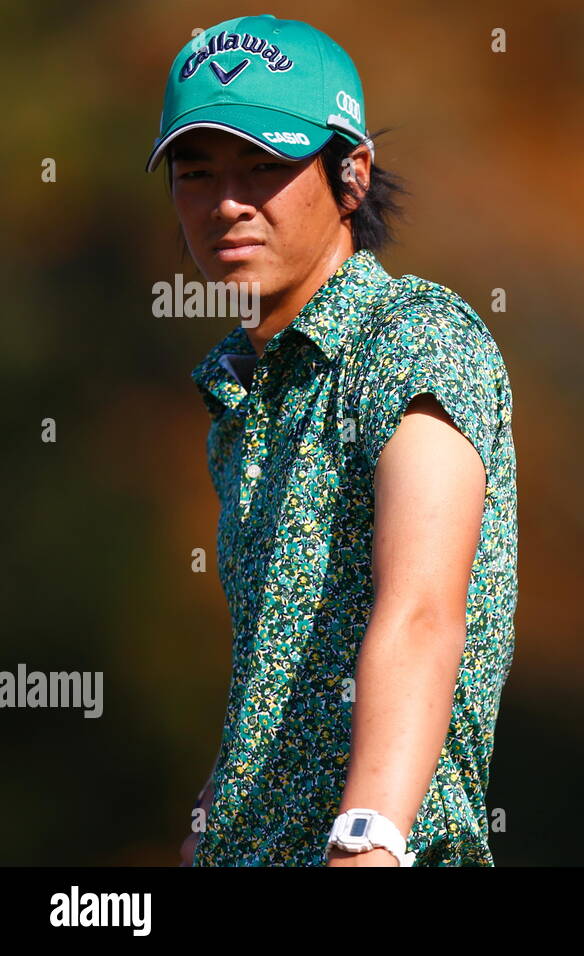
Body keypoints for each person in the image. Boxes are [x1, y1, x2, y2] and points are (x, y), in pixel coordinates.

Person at [148, 14, 518, 866]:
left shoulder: (415, 338)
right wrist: (212, 816)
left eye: (265, 166)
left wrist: (369, 839)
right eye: (196, 173)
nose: (227, 202)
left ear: (352, 175)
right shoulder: (243, 393)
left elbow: (422, 613)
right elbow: (279, 679)